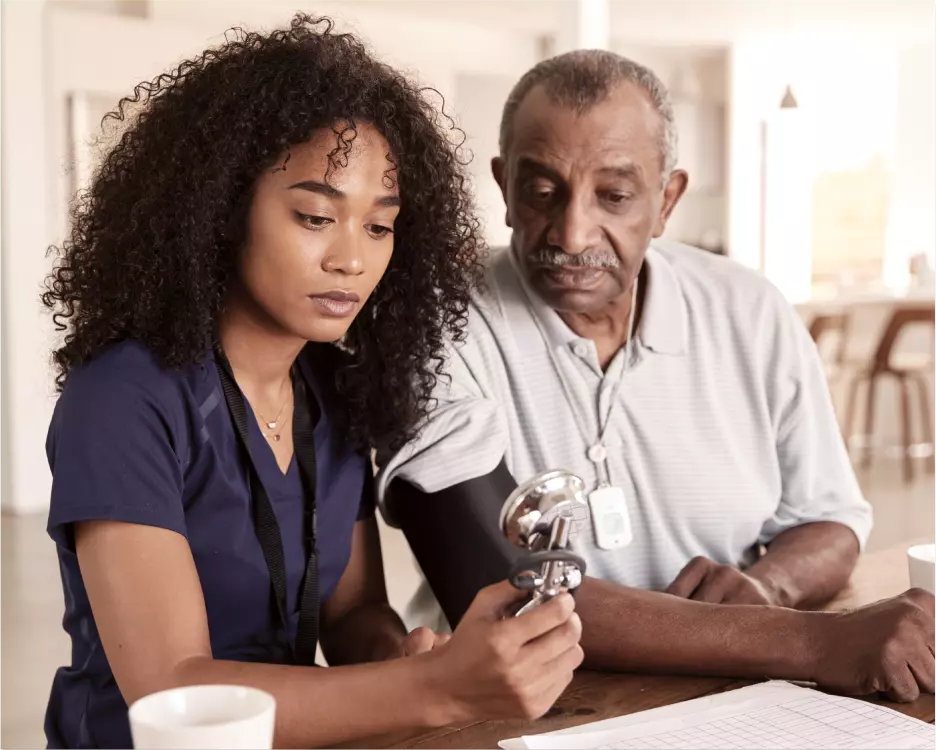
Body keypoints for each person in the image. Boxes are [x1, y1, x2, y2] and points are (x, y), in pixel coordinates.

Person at [41, 16, 584, 750]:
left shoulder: (330, 389)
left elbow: (354, 612)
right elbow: (172, 690)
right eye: (315, 216)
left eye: (380, 227)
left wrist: (403, 656)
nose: (351, 259)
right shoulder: (122, 400)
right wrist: (433, 689)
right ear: (221, 209)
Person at [378, 50, 936, 703]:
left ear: (667, 198)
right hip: (514, 708)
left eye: (613, 195)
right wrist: (814, 640)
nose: (574, 230)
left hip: (735, 696)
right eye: (541, 190)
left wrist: (768, 589)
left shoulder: (750, 309)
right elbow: (499, 584)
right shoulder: (433, 321)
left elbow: (830, 519)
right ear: (504, 188)